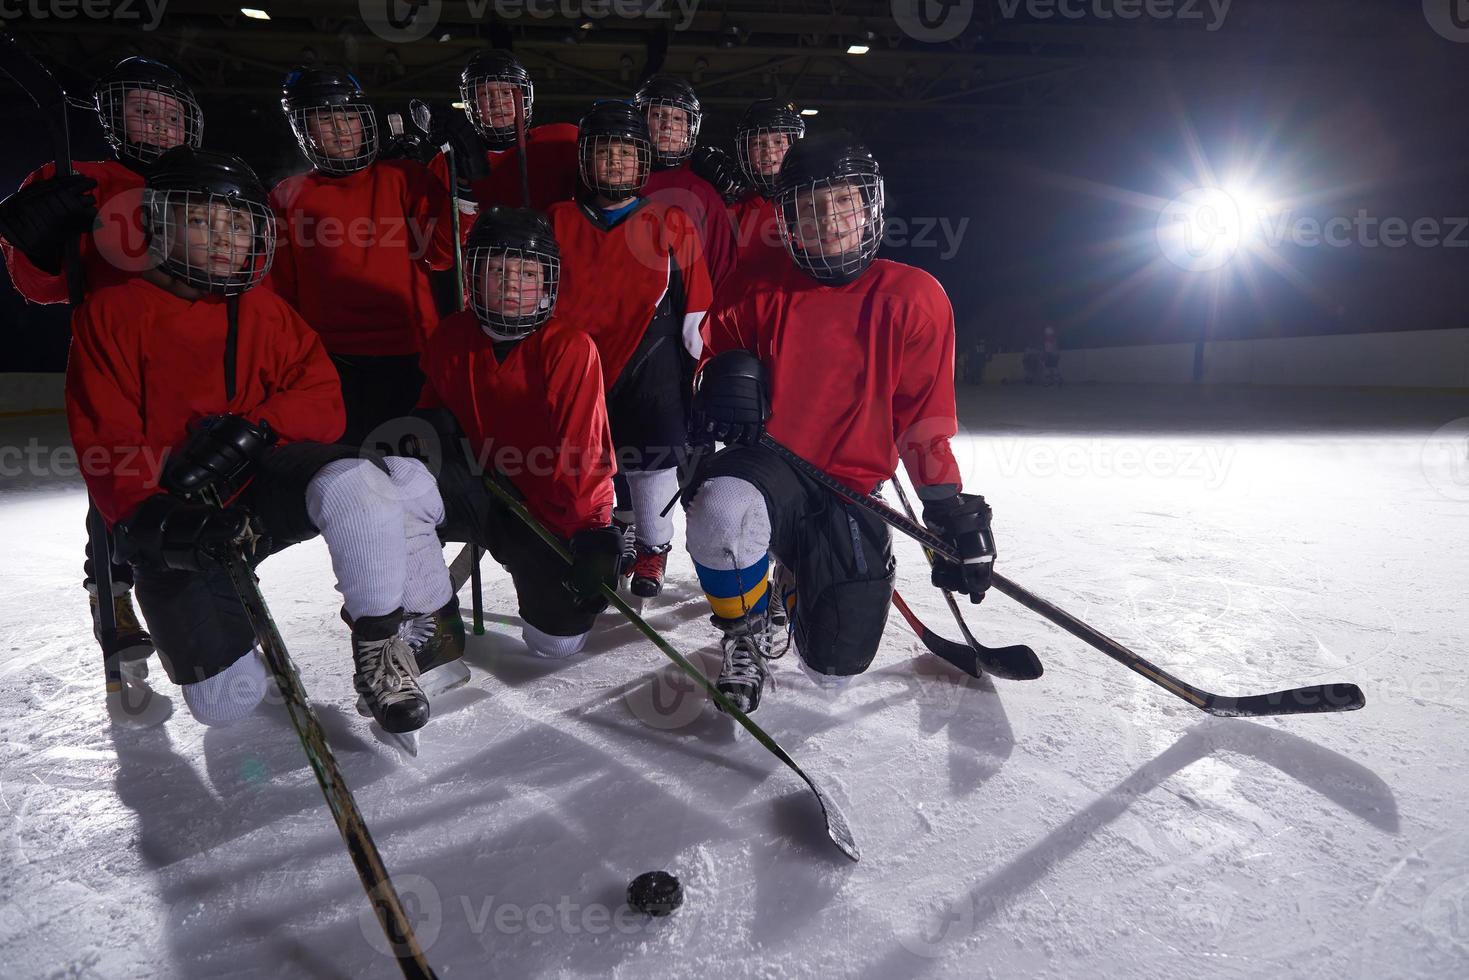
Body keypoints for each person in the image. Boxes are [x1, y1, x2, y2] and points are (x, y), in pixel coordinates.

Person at [65, 147, 462, 735]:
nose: (225, 238)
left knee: (363, 481)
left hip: (263, 489)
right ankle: (228, 644)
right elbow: (107, 441)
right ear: (160, 225)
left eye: (239, 224)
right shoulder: (112, 314)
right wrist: (154, 514)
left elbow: (322, 399)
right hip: (182, 517)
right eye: (203, 222)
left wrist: (255, 430)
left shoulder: (264, 311)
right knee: (226, 702)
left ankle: (381, 644)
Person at [682, 133, 996, 713]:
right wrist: (716, 391)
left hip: (848, 485)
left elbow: (922, 419)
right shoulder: (752, 284)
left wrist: (948, 508)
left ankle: (797, 579)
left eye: (843, 202)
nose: (827, 219)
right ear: (788, 218)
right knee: (722, 512)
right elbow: (708, 364)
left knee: (832, 670)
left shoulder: (914, 296)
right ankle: (745, 629)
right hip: (769, 466)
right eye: (808, 206)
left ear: (869, 206)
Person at [0, 56, 205, 671]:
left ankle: (203, 581)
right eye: (143, 109)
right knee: (116, 484)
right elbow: (40, 287)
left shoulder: (206, 182)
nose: (158, 123)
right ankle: (112, 594)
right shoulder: (77, 177)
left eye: (170, 113)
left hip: (195, 362)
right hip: (112, 363)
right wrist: (33, 241)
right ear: (115, 118)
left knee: (200, 478)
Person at [416, 207, 623, 659]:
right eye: (496, 270)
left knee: (558, 642)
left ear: (547, 283)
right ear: (473, 276)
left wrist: (594, 534)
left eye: (526, 272)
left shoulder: (569, 347)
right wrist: (430, 431)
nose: (511, 284)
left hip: (539, 506)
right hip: (473, 488)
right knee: (400, 486)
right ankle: (432, 617)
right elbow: (430, 415)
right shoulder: (451, 336)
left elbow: (583, 452)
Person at [546, 102, 712, 599]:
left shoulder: (671, 220)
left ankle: (653, 548)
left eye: (626, 152)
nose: (615, 162)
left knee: (652, 463)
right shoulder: (554, 220)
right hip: (580, 368)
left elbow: (696, 306)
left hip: (651, 362)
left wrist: (702, 372)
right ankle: (604, 538)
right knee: (588, 462)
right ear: (585, 162)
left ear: (642, 160)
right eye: (604, 152)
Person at [268, 66, 456, 447]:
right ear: (302, 129)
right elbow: (280, 295)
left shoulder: (405, 177)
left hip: (412, 355)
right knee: (347, 477)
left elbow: (443, 255)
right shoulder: (287, 195)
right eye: (324, 117)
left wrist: (458, 179)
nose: (340, 128)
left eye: (349, 115)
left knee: (416, 477)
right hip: (330, 362)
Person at [634, 75, 737, 292]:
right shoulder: (619, 180)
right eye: (657, 115)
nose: (667, 125)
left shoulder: (702, 190)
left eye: (678, 118)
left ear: (690, 128)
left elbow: (721, 270)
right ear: (641, 120)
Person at [458, 49, 580, 211]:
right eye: (485, 95)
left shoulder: (563, 141)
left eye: (506, 92)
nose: (498, 103)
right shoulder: (451, 160)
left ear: (525, 98)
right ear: (473, 104)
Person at [723, 100, 805, 285]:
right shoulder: (734, 210)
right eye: (757, 143)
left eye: (778, 141)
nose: (768, 152)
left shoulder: (812, 203)